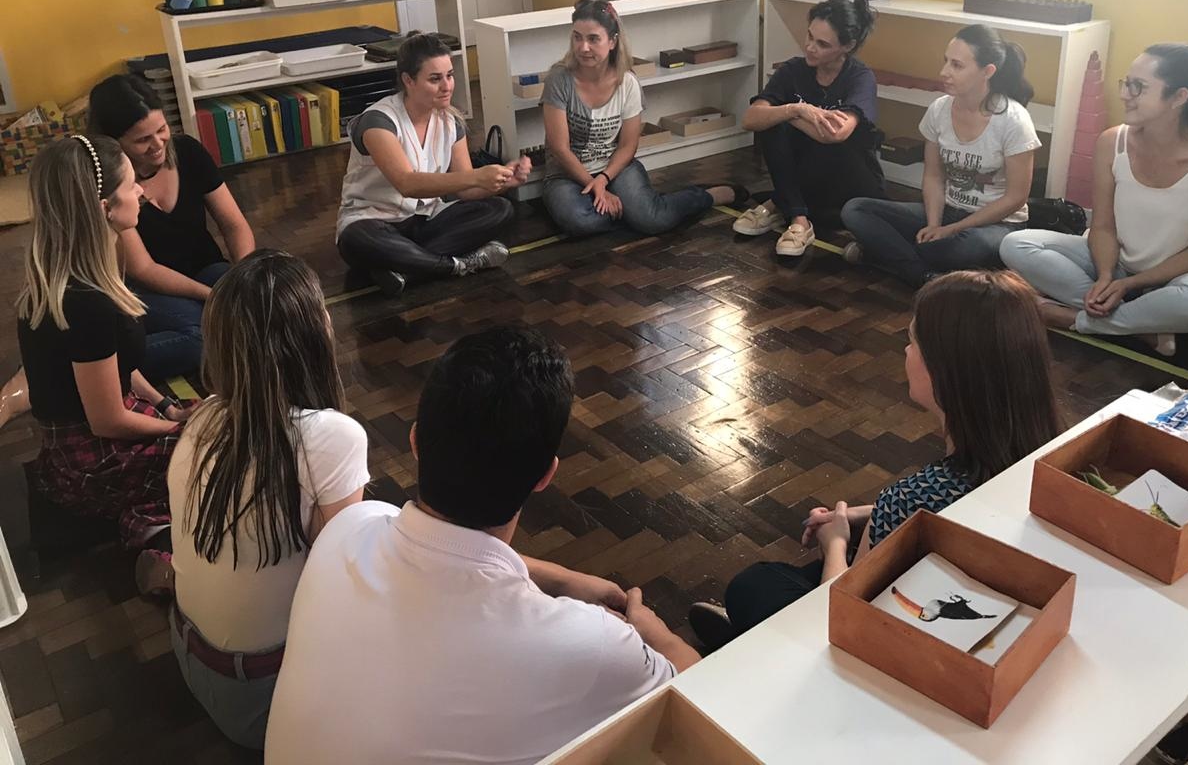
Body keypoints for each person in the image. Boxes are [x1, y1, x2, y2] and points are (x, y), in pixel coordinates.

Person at [264, 325, 697, 765]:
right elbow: (701, 692)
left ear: (415, 442)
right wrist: (652, 632)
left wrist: (563, 579)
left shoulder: (349, 527)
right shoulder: (593, 645)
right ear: (546, 475)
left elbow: (448, 549)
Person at [687, 270, 1059, 649]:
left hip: (887, 634)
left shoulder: (911, 497)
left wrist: (834, 542)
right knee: (788, 576)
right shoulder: (1046, 456)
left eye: (913, 341)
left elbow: (843, 607)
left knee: (753, 584)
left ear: (946, 371)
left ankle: (749, 643)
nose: (907, 351)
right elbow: (936, 515)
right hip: (974, 586)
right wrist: (860, 515)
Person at [167, 249, 367, 749]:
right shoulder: (331, 437)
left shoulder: (205, 415)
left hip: (190, 655)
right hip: (263, 700)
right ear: (314, 332)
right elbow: (343, 584)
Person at [16, 135, 195, 579]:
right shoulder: (85, 302)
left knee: (207, 427)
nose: (142, 192)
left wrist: (170, 407)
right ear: (104, 209)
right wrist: (179, 430)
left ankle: (156, 522)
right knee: (223, 453)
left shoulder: (77, 276)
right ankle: (154, 536)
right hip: (88, 460)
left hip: (84, 441)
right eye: (132, 185)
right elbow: (107, 421)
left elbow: (120, 369)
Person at [1002, 44, 1188, 357]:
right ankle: (1140, 324)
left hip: (1187, 277)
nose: (1124, 94)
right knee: (1016, 244)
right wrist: (1107, 277)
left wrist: (1129, 286)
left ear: (1179, 97)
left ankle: (1075, 319)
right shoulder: (1112, 141)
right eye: (1126, 83)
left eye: (1138, 87)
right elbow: (1103, 226)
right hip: (1117, 264)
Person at [841, 24, 1039, 287]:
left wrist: (952, 230)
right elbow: (934, 176)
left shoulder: (1014, 120)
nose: (944, 72)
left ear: (987, 72)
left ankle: (890, 256)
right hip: (947, 212)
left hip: (996, 225)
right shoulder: (939, 110)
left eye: (957, 65)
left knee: (967, 246)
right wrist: (935, 225)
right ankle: (926, 274)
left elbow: (1016, 197)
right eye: (946, 61)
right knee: (855, 210)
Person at [336, 32, 530, 298]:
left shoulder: (451, 122)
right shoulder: (378, 121)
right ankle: (455, 265)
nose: (447, 86)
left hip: (426, 221)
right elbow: (407, 183)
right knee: (356, 239)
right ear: (408, 80)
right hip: (373, 222)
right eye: (435, 79)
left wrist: (504, 181)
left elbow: (466, 191)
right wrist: (477, 176)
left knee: (501, 209)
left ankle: (407, 268)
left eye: (450, 75)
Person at [89, 74, 255, 378]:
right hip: (145, 289)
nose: (157, 144)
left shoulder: (188, 152)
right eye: (142, 140)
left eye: (162, 129)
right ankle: (88, 367)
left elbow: (234, 224)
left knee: (253, 307)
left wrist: (245, 278)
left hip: (204, 270)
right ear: (114, 143)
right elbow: (144, 270)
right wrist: (212, 296)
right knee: (201, 338)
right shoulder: (110, 185)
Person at [541, 0, 742, 238]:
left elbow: (628, 145)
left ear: (612, 41)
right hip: (566, 174)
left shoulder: (628, 82)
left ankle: (705, 196)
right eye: (577, 37)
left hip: (614, 168)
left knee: (653, 220)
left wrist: (603, 180)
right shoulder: (559, 79)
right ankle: (638, 210)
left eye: (593, 39)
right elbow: (560, 149)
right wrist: (596, 188)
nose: (583, 47)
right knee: (581, 221)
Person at [732, 0, 883, 257]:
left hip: (849, 180)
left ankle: (780, 205)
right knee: (772, 124)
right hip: (807, 177)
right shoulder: (793, 70)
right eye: (810, 36)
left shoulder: (859, 77)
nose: (810, 47)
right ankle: (799, 218)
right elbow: (750, 119)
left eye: (823, 44)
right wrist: (796, 109)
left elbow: (834, 134)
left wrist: (785, 114)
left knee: (785, 123)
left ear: (847, 46)